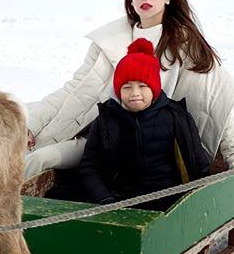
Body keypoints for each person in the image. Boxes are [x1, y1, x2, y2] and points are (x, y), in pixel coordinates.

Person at [25, 0, 234, 183]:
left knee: (44, 159)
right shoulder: (108, 41)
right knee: (38, 157)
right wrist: (33, 123)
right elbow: (73, 90)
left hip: (153, 146)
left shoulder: (184, 44)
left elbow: (212, 102)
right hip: (101, 137)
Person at [78, 38, 210, 211]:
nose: (135, 93)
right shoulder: (106, 120)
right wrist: (105, 198)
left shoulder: (175, 117)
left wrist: (190, 204)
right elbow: (90, 167)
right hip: (120, 202)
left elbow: (199, 165)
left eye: (142, 86)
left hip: (169, 203)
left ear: (154, 88)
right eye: (126, 87)